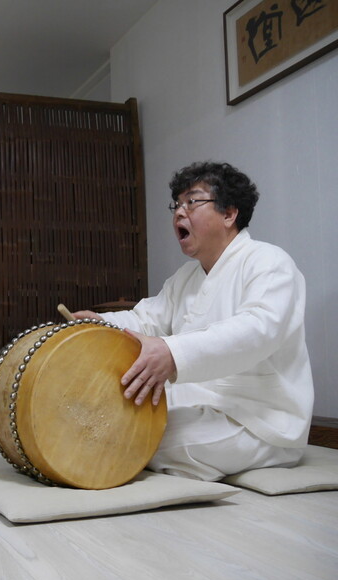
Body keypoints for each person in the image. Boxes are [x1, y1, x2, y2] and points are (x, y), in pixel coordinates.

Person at [70, 161, 313, 481]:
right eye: (176, 204)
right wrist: (99, 323)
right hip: (198, 402)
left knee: (140, 438)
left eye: (192, 202)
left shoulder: (269, 262)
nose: (179, 213)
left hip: (260, 419)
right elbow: (146, 319)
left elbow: (257, 330)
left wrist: (172, 353)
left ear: (229, 214)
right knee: (110, 416)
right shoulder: (185, 277)